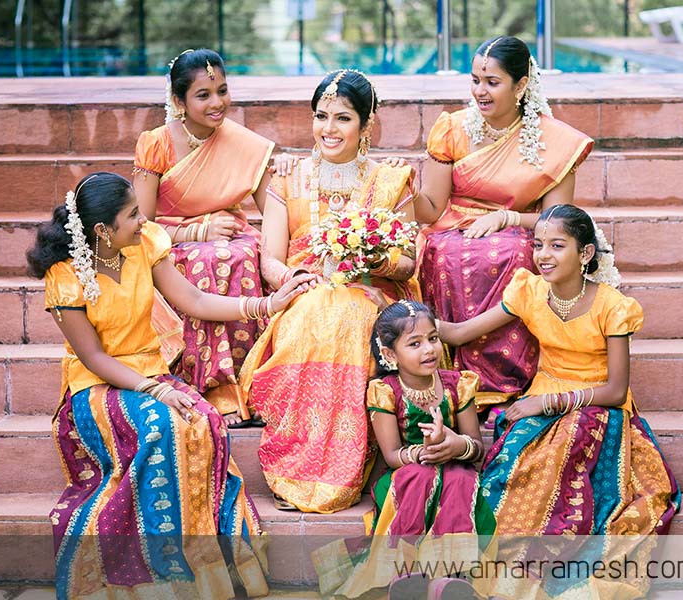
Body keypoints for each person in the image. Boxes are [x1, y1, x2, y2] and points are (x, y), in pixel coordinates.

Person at [26, 172, 314, 600]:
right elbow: (95, 358)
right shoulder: (65, 275)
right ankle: (156, 568)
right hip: (97, 386)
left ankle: (202, 563)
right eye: (132, 215)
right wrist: (156, 390)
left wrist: (267, 304)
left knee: (203, 422)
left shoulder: (145, 245)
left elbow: (194, 301)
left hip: (150, 371)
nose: (143, 219)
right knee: (163, 426)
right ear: (103, 230)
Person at [439, 204, 680, 599]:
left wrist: (549, 404)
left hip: (598, 404)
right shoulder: (530, 291)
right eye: (538, 245)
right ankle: (488, 573)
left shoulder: (612, 307)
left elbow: (617, 389)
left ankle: (537, 578)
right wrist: (403, 317)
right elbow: (461, 333)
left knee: (565, 445)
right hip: (542, 395)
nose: (543, 255)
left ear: (585, 254)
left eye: (557, 245)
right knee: (513, 464)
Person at [239, 70, 420, 513]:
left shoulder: (392, 181)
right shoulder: (288, 178)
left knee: (352, 317)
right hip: (307, 295)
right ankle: (297, 463)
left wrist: (376, 262)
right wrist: (293, 279)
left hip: (371, 295)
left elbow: (410, 260)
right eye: (321, 116)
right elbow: (271, 260)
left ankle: (342, 466)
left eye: (342, 118)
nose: (329, 129)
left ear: (365, 125)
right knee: (320, 314)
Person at [415, 36, 594, 425]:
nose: (480, 91)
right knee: (444, 252)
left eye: (492, 82)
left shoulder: (554, 140)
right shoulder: (453, 128)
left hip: (523, 229)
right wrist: (398, 188)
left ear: (521, 85)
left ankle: (502, 382)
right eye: (476, 80)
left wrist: (508, 218)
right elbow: (429, 210)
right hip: (453, 228)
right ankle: (449, 378)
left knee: (511, 254)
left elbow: (559, 217)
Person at [312, 300, 496, 599]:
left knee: (461, 480)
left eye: (433, 339)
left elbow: (476, 449)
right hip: (407, 476)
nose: (429, 350)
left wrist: (455, 444)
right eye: (415, 343)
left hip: (454, 469)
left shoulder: (456, 385)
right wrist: (422, 453)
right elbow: (392, 455)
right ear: (389, 354)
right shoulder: (385, 390)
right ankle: (405, 572)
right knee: (420, 478)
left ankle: (450, 577)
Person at [133, 49, 275, 428]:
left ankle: (251, 385)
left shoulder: (243, 143)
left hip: (232, 234)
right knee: (205, 260)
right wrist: (196, 231)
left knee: (245, 253)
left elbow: (274, 205)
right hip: (171, 242)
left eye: (223, 91)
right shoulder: (156, 144)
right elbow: (141, 225)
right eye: (203, 95)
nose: (218, 103)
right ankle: (210, 388)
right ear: (178, 101)